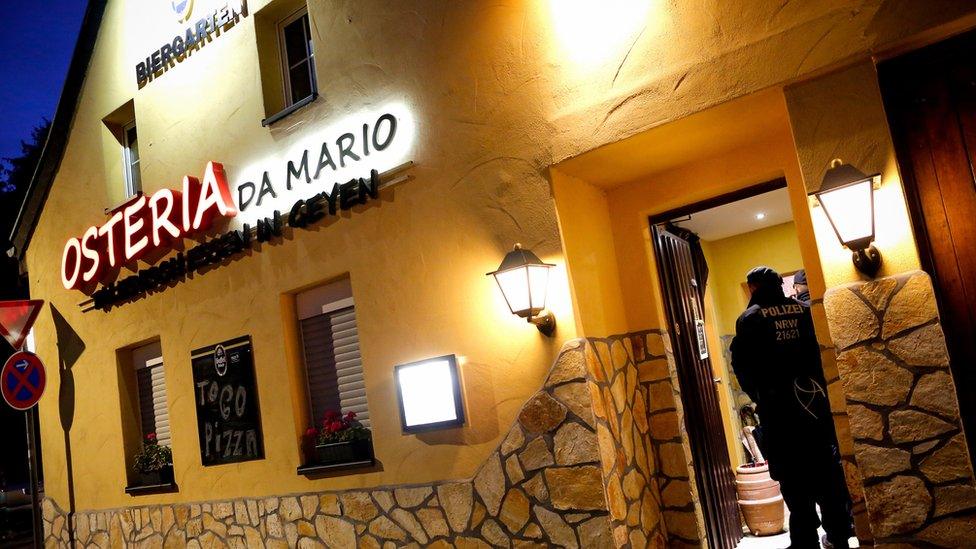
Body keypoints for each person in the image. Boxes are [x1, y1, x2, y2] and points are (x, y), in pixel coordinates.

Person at [730, 266, 852, 549]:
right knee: (828, 481)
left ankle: (805, 542)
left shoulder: (749, 319)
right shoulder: (806, 310)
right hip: (815, 411)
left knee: (796, 490)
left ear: (753, 288)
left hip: (781, 419)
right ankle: (838, 538)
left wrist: (761, 396)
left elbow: (742, 366)